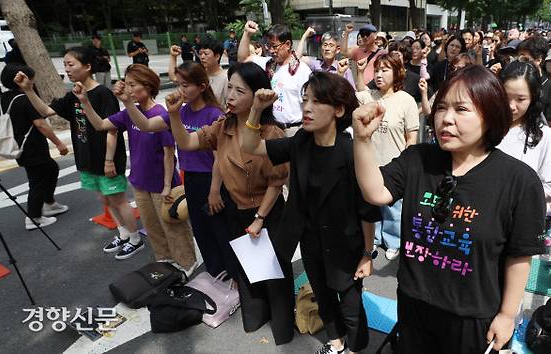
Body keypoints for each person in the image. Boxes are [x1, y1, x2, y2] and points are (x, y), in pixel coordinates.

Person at [352, 65, 546, 353]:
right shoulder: (418, 159)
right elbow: (375, 191)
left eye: (461, 109)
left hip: (471, 318)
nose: (446, 119)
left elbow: (519, 257)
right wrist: (362, 140)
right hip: (414, 305)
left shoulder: (519, 181)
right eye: (441, 107)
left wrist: (507, 315)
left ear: (490, 114)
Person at [241, 71, 381, 354]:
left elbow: (367, 209)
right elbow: (250, 145)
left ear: (338, 110)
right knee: (323, 297)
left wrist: (367, 254)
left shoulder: (353, 152)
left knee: (351, 304)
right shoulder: (300, 142)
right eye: (304, 100)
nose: (306, 108)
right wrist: (256, 109)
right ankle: (336, 342)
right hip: (311, 239)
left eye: (316, 102)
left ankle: (355, 348)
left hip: (346, 245)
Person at [168, 62, 293, 345]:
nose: (231, 96)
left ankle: (283, 325)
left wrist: (260, 217)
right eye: (230, 89)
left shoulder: (271, 133)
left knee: (275, 274)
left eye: (240, 90)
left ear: (258, 95)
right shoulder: (224, 126)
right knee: (249, 270)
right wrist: (174, 114)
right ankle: (257, 315)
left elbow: (276, 182)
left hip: (267, 214)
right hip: (238, 210)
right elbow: (186, 142)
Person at [14, 47, 140, 259]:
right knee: (105, 200)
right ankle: (123, 233)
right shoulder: (73, 94)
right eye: (65, 65)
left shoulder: (103, 94)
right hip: (87, 158)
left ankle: (135, 239)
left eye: (71, 64)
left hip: (106, 159)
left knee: (118, 199)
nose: (67, 69)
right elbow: (45, 111)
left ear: (88, 66)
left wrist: (109, 160)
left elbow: (112, 128)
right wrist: (28, 90)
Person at [77, 64, 198, 275]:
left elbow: (169, 153)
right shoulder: (129, 113)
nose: (129, 89)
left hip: (162, 184)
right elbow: (100, 125)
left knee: (172, 226)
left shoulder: (160, 113)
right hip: (140, 182)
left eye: (133, 84)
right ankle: (164, 259)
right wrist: (85, 101)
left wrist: (168, 185)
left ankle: (187, 263)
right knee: (152, 227)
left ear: (148, 86)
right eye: (127, 83)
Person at [120, 61, 236, 279]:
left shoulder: (214, 114)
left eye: (185, 85)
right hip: (190, 179)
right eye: (178, 85)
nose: (180, 90)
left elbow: (219, 157)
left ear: (202, 87)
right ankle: (216, 274)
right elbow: (146, 125)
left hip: (213, 179)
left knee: (221, 230)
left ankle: (234, 277)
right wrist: (127, 102)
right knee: (202, 231)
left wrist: (214, 191)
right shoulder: (179, 112)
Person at [355, 53, 420, 261]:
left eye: (385, 70)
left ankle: (393, 241)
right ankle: (373, 238)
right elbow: (358, 92)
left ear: (397, 73)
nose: (379, 74)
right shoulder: (370, 96)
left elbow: (412, 136)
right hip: (370, 164)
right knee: (370, 203)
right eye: (377, 70)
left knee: (393, 208)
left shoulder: (406, 100)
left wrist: (408, 165)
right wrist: (359, 70)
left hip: (395, 165)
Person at [0, 64, 69, 229]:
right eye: (30, 78)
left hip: (18, 146)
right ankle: (34, 217)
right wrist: (59, 144)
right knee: (37, 180)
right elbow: (41, 124)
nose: (32, 81)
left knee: (51, 168)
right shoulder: (24, 99)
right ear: (21, 80)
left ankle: (49, 204)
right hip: (32, 146)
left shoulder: (3, 99)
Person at [497, 61, 551, 204]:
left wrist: (511, 195)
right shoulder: (483, 127)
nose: (511, 107)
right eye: (505, 97)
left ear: (533, 98)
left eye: (520, 99)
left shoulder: (544, 136)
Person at [238, 21, 312, 137]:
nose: (271, 50)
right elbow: (243, 59)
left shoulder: (302, 71)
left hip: (294, 132)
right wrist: (247, 33)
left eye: (274, 46)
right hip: (269, 130)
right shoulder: (267, 64)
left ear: (287, 44)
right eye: (268, 46)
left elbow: (310, 105)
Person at [517, 35, 551, 134]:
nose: (520, 62)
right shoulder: (516, 81)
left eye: (525, 59)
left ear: (538, 59)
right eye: (519, 58)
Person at [170, 38, 228, 108]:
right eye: (200, 53)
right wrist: (173, 56)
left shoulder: (226, 78)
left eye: (206, 54)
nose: (202, 57)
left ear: (217, 56)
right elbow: (174, 77)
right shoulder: (198, 73)